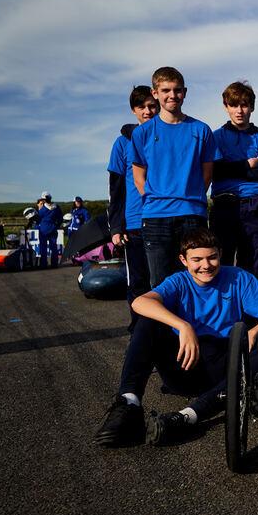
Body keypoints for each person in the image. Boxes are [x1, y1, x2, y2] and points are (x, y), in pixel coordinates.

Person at [94, 228, 258, 447]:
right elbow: (139, 303)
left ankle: (186, 417)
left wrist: (253, 331)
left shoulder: (238, 277)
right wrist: (183, 326)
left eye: (212, 257)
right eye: (197, 259)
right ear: (183, 260)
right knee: (148, 321)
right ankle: (129, 403)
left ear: (220, 253)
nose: (206, 265)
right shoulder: (178, 281)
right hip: (185, 366)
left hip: (226, 369)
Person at [131, 67, 215, 287]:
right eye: (165, 90)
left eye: (177, 90)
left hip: (192, 214)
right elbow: (138, 175)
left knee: (196, 280)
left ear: (185, 92)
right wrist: (155, 198)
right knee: (160, 284)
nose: (172, 95)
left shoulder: (201, 129)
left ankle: (191, 323)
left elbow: (207, 174)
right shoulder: (142, 133)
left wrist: (189, 195)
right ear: (155, 92)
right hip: (156, 217)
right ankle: (163, 324)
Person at [209, 81, 258, 280]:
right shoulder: (216, 137)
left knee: (251, 266)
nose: (239, 110)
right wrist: (248, 164)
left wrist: (231, 167)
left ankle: (251, 312)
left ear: (252, 107)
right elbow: (216, 172)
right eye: (234, 105)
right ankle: (225, 311)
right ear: (226, 107)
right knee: (221, 263)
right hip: (224, 203)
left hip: (254, 204)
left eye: (244, 105)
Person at [108, 86, 159, 333]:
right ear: (133, 110)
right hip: (135, 223)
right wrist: (116, 226)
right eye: (142, 107)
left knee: (165, 282)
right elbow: (115, 188)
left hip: (164, 218)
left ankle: (166, 336)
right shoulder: (122, 143)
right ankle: (140, 335)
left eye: (152, 106)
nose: (148, 111)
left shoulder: (166, 135)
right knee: (138, 283)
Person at [36, 191, 62, 269]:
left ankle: (43, 264)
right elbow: (60, 218)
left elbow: (38, 219)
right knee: (53, 247)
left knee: (43, 247)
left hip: (44, 228)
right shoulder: (57, 207)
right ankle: (54, 264)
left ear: (44, 200)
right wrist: (57, 225)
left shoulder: (43, 209)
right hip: (53, 228)